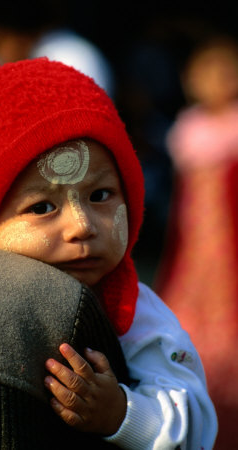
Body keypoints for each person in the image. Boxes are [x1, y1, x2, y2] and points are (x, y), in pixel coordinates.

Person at [0, 57, 217, 448]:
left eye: (100, 196)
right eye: (42, 207)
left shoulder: (137, 317)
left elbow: (196, 428)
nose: (82, 225)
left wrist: (122, 414)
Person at [154, 36, 238, 449]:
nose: (216, 82)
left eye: (225, 72)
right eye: (206, 73)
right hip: (198, 244)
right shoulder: (190, 131)